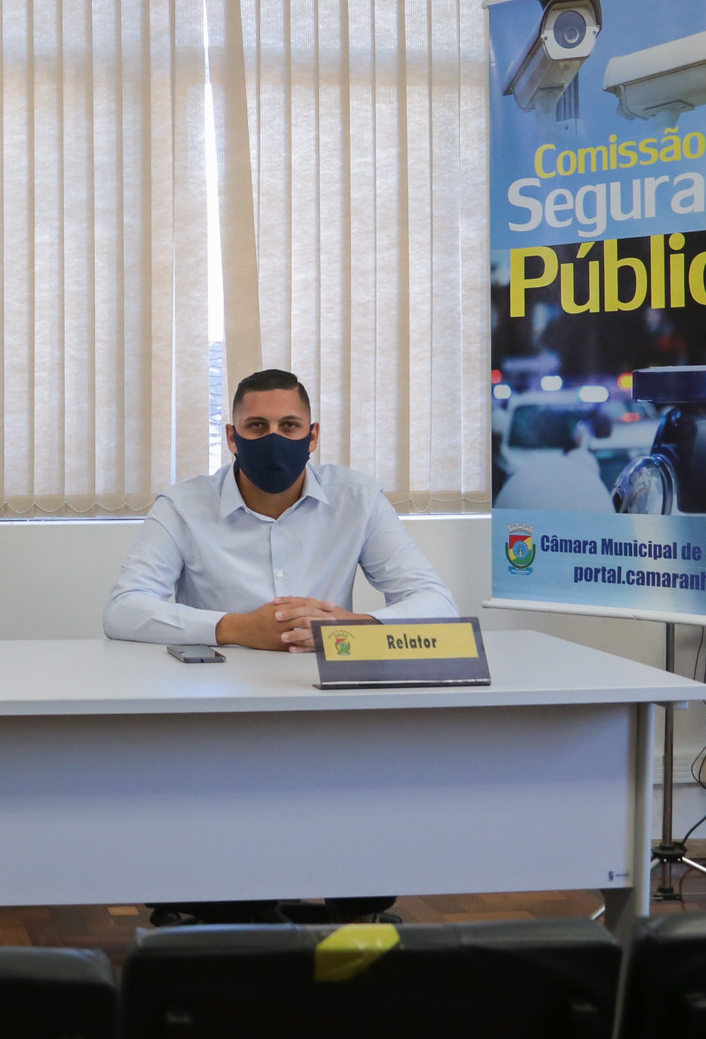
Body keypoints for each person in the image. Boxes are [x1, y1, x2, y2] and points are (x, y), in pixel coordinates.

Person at [103, 367, 457, 925]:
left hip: (328, 707)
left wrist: (350, 625)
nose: (274, 438)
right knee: (231, 878)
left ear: (313, 436)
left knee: (360, 855)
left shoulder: (356, 497)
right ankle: (226, 900)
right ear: (231, 436)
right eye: (257, 426)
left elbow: (437, 603)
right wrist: (235, 627)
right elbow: (124, 608)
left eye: (290, 426)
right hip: (219, 715)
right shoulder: (184, 504)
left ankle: (340, 898)